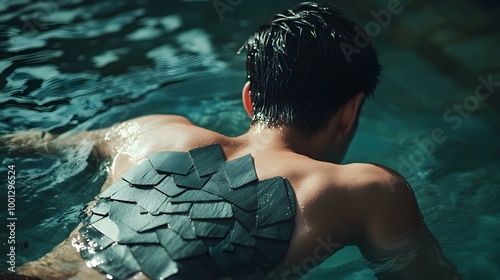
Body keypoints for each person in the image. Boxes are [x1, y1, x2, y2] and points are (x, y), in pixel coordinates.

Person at [3, 2, 460, 280]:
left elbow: (35, 141)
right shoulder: (367, 189)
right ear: (351, 111)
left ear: (248, 98)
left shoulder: (152, 131)